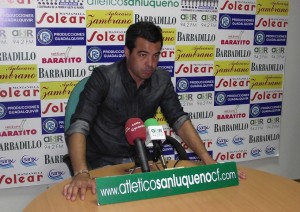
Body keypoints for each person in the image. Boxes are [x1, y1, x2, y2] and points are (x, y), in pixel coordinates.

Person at [63, 21, 246, 201]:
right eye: (143, 54)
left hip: (143, 163)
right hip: (102, 165)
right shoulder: (103, 78)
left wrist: (207, 159)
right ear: (127, 51)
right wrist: (81, 172)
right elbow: (80, 124)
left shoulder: (162, 80)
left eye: (156, 55)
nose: (150, 63)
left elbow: (178, 119)